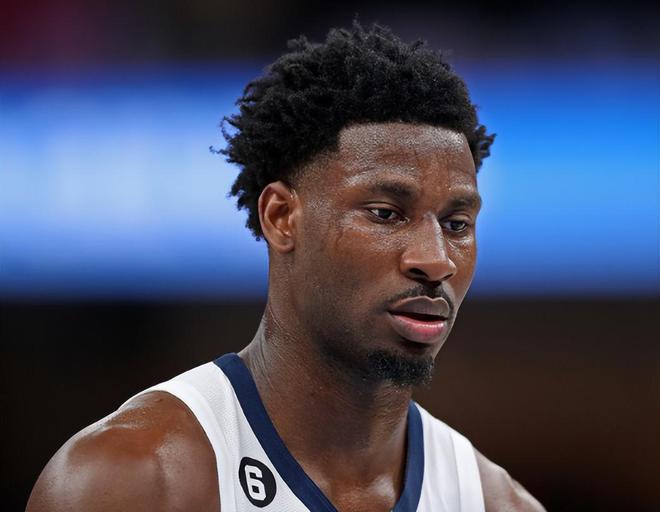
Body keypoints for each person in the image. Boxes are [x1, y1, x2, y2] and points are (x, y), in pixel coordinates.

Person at [27, 22, 545, 512]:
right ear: (281, 217)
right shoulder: (130, 480)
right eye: (386, 214)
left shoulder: (498, 503)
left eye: (456, 223)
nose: (435, 261)